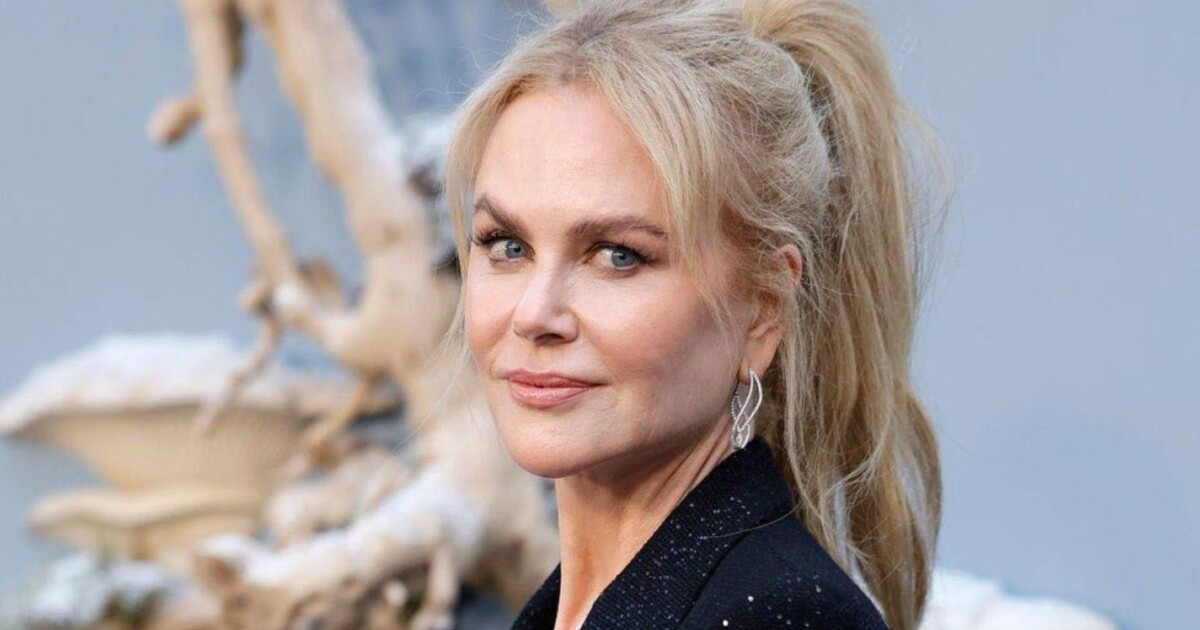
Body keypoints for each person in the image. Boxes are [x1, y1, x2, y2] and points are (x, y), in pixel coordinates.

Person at [436, 0, 944, 627]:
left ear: (762, 311)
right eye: (507, 246)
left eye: (617, 256)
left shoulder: (783, 616)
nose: (534, 314)